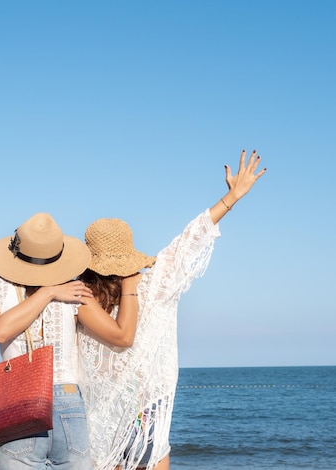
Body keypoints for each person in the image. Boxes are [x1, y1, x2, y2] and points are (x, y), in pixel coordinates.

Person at [77, 149, 267, 470]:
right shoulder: (150, 287)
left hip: (99, 419)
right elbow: (189, 241)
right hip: (142, 413)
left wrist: (232, 195)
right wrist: (231, 197)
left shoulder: (79, 297)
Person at [0, 212, 140, 470]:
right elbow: (123, 336)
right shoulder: (74, 292)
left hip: (18, 400)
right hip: (68, 402)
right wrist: (129, 283)